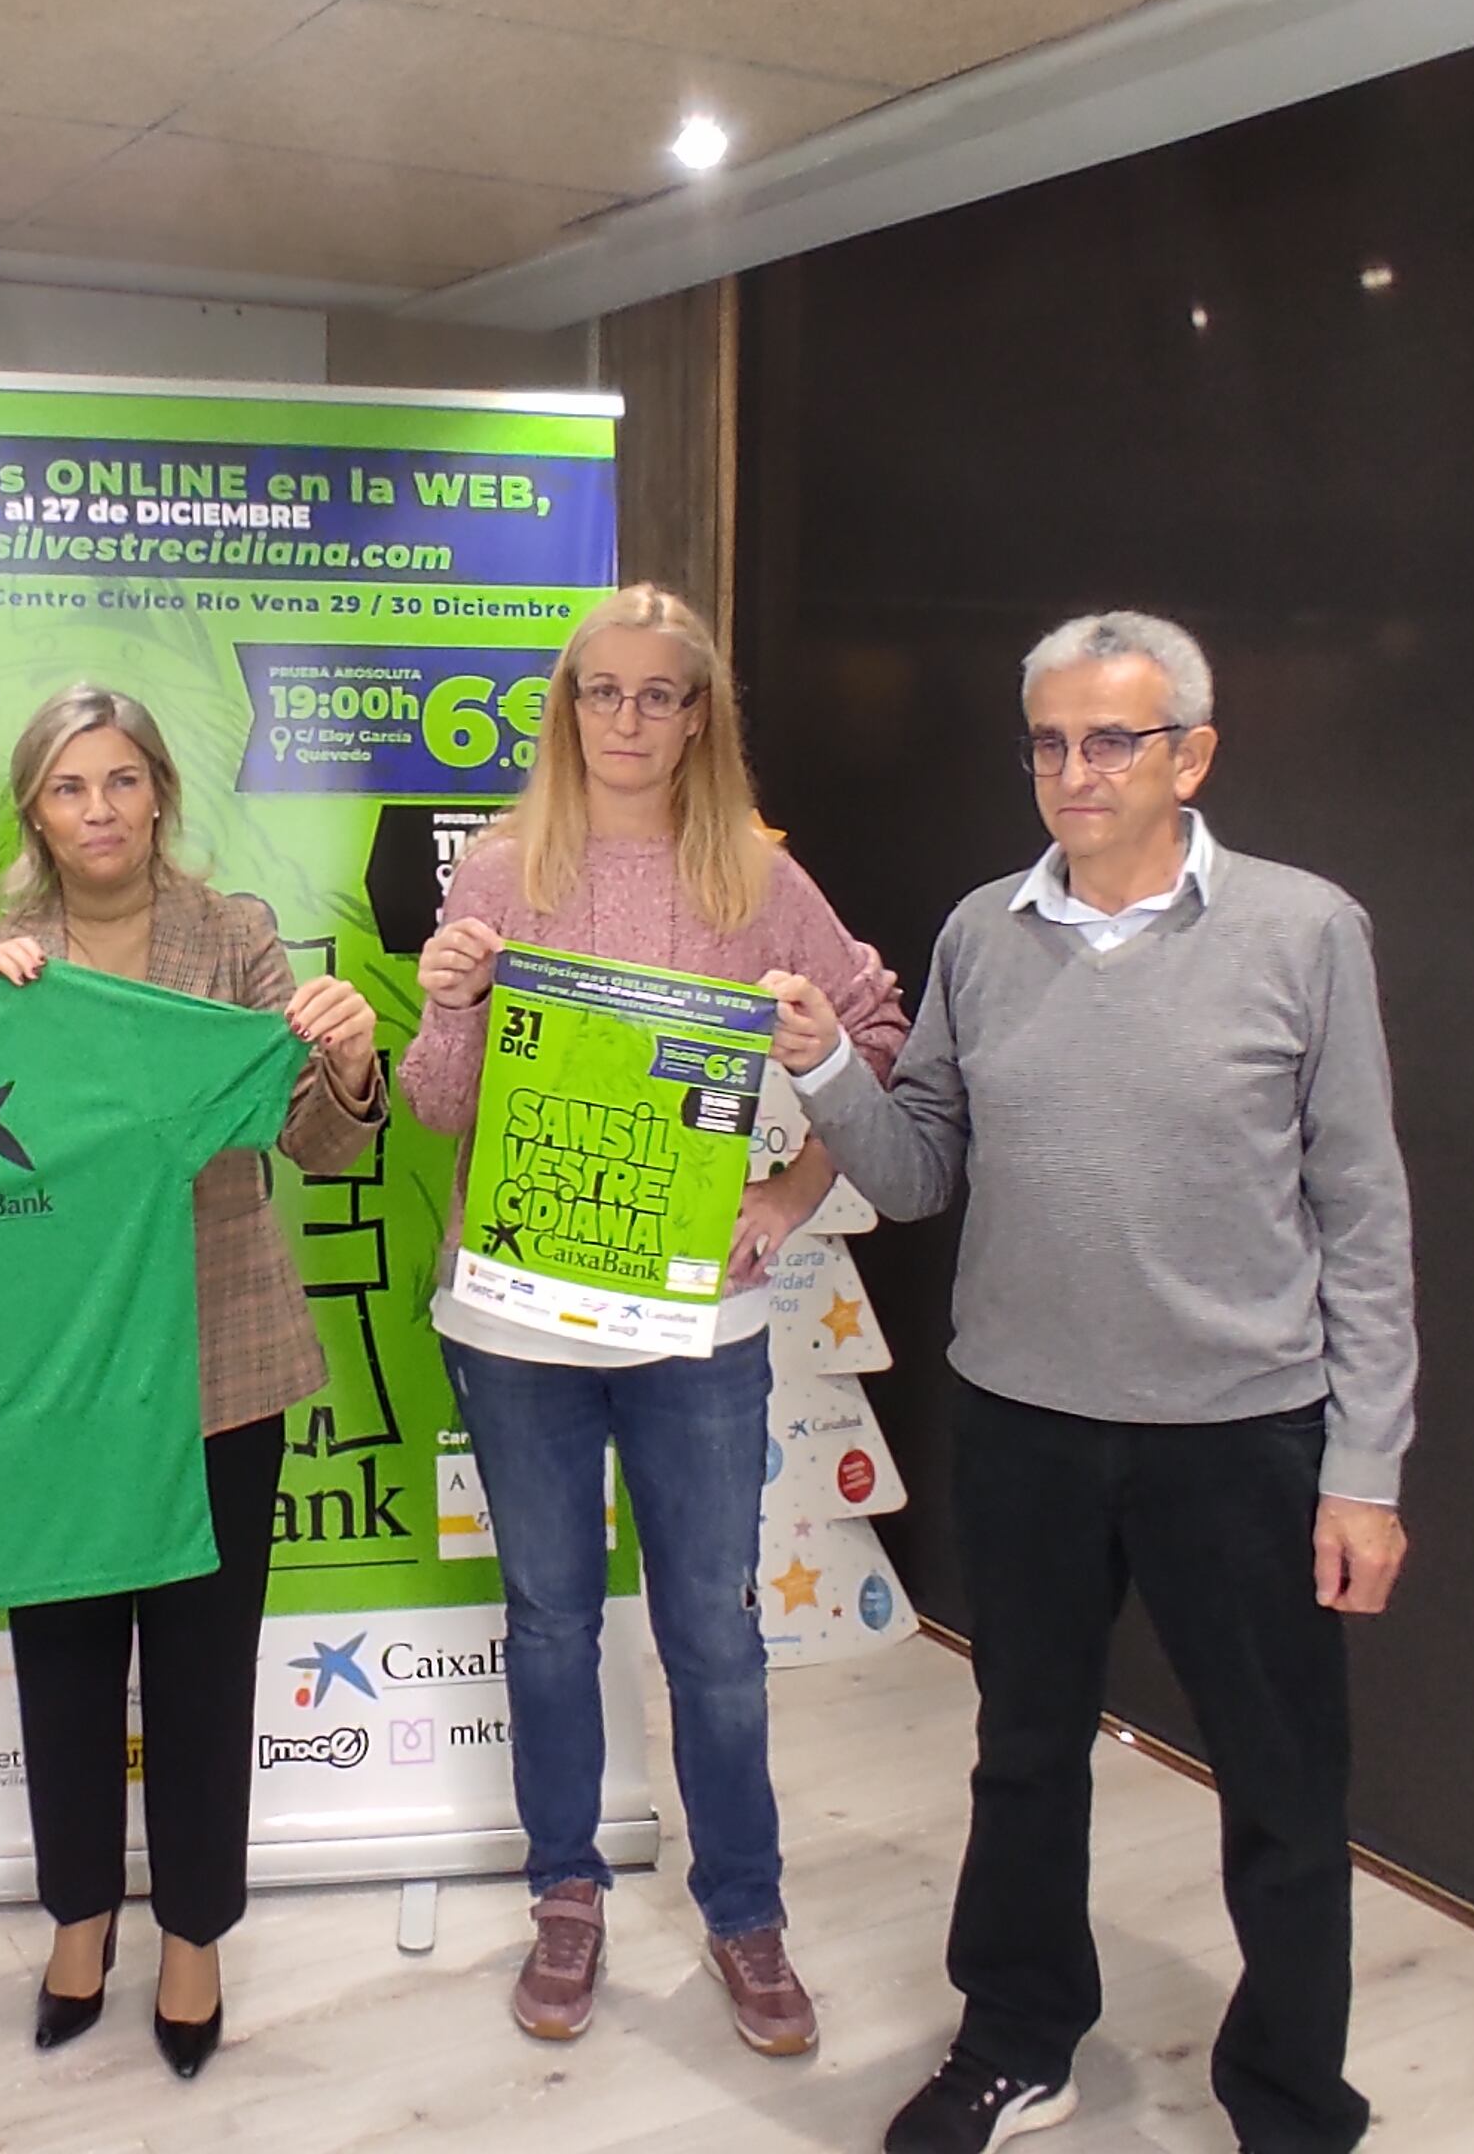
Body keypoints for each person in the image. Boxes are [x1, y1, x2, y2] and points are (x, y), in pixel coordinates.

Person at [768, 609, 1415, 2154]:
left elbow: (1365, 1217)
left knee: (1280, 1786)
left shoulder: (1305, 932)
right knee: (1023, 1755)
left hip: (1244, 1439)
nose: (1075, 771)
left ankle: (1291, 2101)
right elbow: (920, 1174)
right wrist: (823, 1073)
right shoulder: (983, 933)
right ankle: (1017, 2038)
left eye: (1111, 740)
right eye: (1050, 741)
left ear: (1191, 753)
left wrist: (1367, 1470)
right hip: (1026, 1428)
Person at [403, 582, 909, 2058]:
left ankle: (745, 1915)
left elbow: (875, 1025)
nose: (628, 720)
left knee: (716, 1633)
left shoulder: (755, 877)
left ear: (701, 716)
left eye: (659, 694)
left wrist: (798, 1183)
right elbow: (442, 1111)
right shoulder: (501, 870)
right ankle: (567, 1892)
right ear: (567, 711)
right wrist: (447, 1009)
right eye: (600, 693)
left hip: (698, 1324)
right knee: (551, 1622)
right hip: (516, 1323)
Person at [0, 683, 385, 2082]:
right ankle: (79, 1920)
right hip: (57, 1374)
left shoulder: (237, 936)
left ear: (159, 797)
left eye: (122, 781)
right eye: (70, 787)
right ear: (36, 809)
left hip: (221, 1361)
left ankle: (193, 1935)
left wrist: (353, 1061)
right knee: (63, 1659)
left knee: (203, 1669)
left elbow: (319, 1146)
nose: (98, 810)